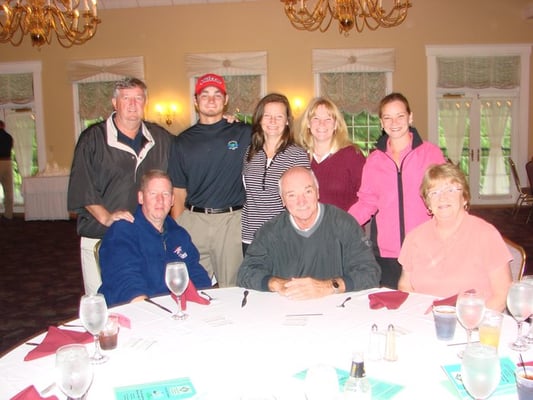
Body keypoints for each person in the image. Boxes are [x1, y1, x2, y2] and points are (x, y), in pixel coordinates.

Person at [68, 77, 172, 295]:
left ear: (145, 102)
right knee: (104, 300)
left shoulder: (161, 139)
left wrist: (224, 122)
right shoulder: (93, 139)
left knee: (142, 297)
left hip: (145, 236)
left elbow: (189, 153)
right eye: (126, 98)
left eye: (138, 98)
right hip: (102, 235)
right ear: (115, 103)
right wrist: (106, 217)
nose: (133, 104)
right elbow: (82, 184)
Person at [348, 93, 446, 289]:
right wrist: (341, 224)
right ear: (381, 123)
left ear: (410, 117)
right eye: (388, 117)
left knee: (424, 307)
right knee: (393, 308)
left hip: (426, 248)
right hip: (387, 253)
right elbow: (367, 203)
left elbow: (444, 196)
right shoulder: (374, 160)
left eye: (400, 116)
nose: (394, 122)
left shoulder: (430, 153)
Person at [237, 166, 380, 299]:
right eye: (292, 195)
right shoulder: (270, 231)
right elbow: (246, 273)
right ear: (283, 200)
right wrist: (278, 284)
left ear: (318, 192)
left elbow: (370, 273)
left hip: (334, 308)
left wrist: (327, 287)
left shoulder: (343, 224)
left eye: (308, 191)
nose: (302, 202)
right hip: (286, 308)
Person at [169, 73, 252, 287]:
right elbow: (178, 192)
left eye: (217, 94)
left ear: (225, 100)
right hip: (193, 221)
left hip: (232, 221)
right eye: (204, 94)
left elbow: (276, 136)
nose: (211, 99)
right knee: (191, 286)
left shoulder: (244, 133)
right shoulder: (181, 142)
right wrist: (178, 230)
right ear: (196, 101)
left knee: (233, 287)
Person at [398, 163, 512, 312]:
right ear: (428, 204)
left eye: (450, 190)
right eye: (434, 192)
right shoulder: (414, 238)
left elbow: (502, 295)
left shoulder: (486, 234)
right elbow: (405, 286)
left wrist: (470, 322)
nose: (442, 198)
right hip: (425, 322)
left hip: (473, 324)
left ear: (464, 197)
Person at [98, 170, 211, 307]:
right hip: (134, 311)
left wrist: (201, 303)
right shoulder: (123, 231)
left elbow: (195, 272)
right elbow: (125, 282)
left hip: (174, 310)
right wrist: (154, 312)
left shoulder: (178, 234)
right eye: (153, 194)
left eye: (165, 194)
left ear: (172, 200)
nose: (160, 200)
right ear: (141, 197)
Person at [242, 93, 309, 254]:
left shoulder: (297, 155)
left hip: (285, 237)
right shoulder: (250, 152)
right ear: (259, 119)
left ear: (287, 121)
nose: (272, 121)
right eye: (267, 116)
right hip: (250, 236)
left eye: (279, 116)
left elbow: (304, 200)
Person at [298, 97, 365, 211]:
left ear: (335, 125)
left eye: (328, 119)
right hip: (309, 228)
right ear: (308, 124)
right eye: (316, 118)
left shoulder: (352, 156)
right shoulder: (299, 159)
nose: (322, 124)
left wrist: (348, 224)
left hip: (345, 227)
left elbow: (367, 198)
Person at [0, 120, 14, 220]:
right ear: (3, 126)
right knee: (8, 190)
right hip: (8, 162)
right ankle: (8, 214)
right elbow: (11, 148)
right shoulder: (9, 137)